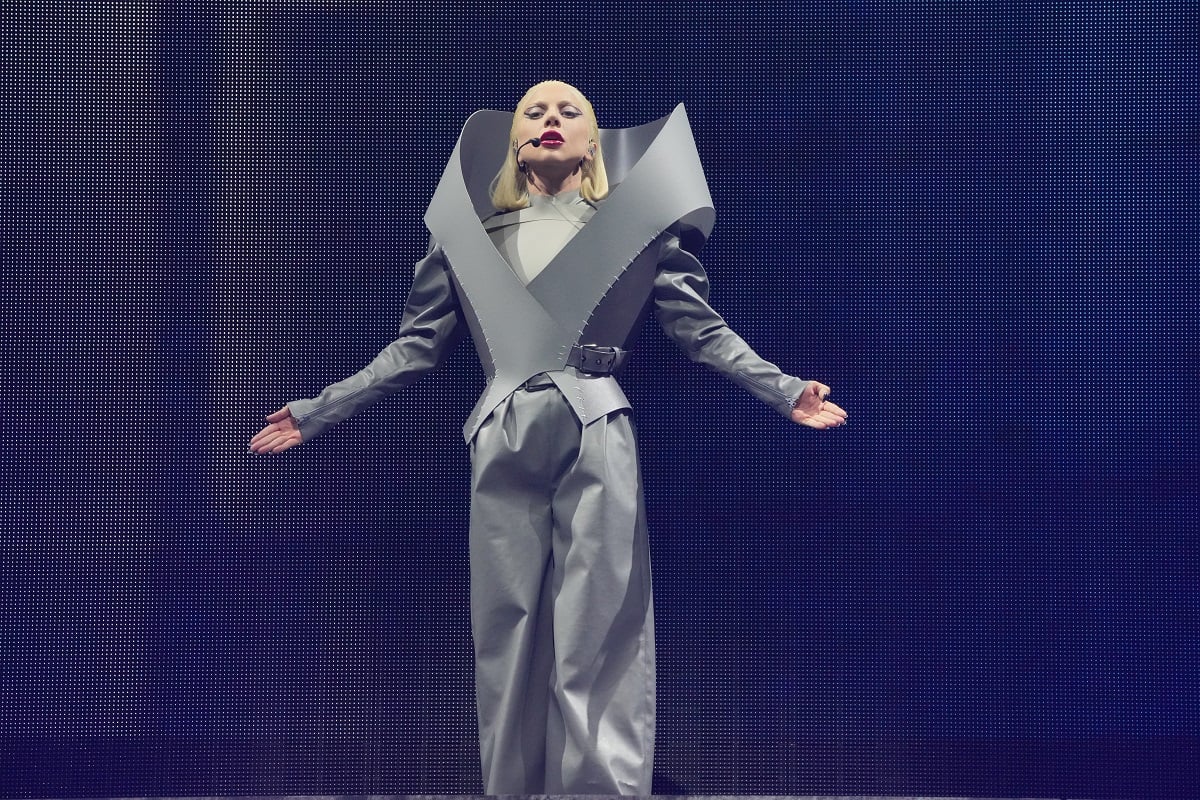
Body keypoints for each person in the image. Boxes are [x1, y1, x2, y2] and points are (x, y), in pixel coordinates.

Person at [249, 80, 847, 795]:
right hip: (502, 431)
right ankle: (515, 786)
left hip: (595, 424)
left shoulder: (639, 231)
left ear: (594, 143)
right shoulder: (470, 238)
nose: (551, 120)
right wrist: (318, 410)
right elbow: (415, 345)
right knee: (506, 624)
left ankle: (598, 789)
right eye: (534, 112)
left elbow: (701, 330)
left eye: (570, 112)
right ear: (515, 142)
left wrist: (783, 389)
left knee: (601, 620)